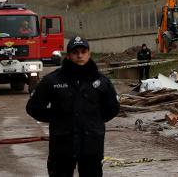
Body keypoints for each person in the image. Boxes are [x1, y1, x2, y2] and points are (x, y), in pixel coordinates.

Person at [26, 36, 119, 177]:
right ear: (68, 55)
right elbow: (33, 107)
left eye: (83, 51)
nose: (80, 55)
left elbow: (112, 108)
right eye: (75, 52)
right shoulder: (52, 80)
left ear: (89, 54)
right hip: (62, 144)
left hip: (91, 144)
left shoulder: (101, 81)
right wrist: (56, 118)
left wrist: (94, 121)